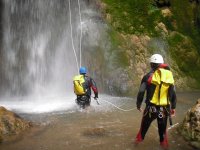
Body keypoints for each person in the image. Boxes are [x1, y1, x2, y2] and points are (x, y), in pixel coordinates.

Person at [135, 54, 177, 148]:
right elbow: (173, 93)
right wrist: (173, 107)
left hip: (150, 109)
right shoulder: (168, 76)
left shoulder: (147, 77)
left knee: (142, 132)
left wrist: (138, 104)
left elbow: (141, 92)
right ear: (162, 63)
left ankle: (135, 146)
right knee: (163, 136)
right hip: (164, 110)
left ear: (151, 64)